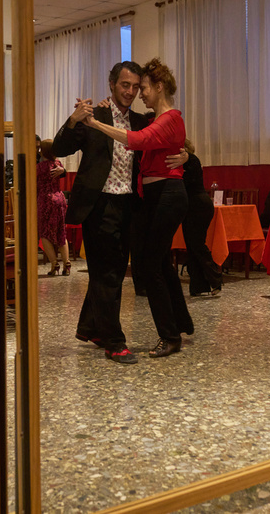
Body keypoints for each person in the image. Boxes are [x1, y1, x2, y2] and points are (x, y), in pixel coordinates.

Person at [83, 58, 192, 358]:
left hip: (167, 195)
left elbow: (137, 140)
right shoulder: (158, 119)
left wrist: (95, 123)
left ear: (158, 87)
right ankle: (179, 324)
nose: (139, 93)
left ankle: (170, 335)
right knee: (155, 266)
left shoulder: (169, 119)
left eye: (143, 88)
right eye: (131, 86)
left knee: (150, 267)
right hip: (156, 196)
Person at [51, 61, 149, 365]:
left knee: (116, 272)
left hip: (127, 205)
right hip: (99, 205)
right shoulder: (95, 117)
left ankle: (91, 327)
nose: (130, 91)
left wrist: (185, 153)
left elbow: (162, 142)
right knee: (105, 273)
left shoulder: (140, 121)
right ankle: (114, 341)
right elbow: (60, 146)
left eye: (135, 86)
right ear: (112, 84)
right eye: (124, 85)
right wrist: (73, 120)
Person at [180, 139, 222, 297]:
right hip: (194, 207)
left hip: (197, 207)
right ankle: (198, 286)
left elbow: (185, 183)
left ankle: (215, 279)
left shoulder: (191, 160)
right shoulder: (191, 160)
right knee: (192, 247)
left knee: (197, 245)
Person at [37, 138, 71, 276]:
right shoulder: (58, 164)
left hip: (45, 200)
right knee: (61, 232)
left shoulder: (39, 168)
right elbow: (62, 174)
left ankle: (54, 264)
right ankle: (66, 263)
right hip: (60, 198)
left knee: (45, 234)